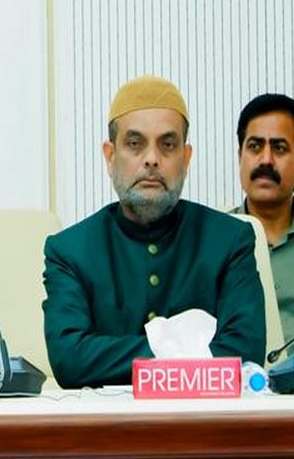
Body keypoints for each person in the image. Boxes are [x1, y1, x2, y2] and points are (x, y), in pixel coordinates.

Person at [42, 75, 265, 387]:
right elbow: (70, 359)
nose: (151, 159)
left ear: (186, 158)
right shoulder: (70, 251)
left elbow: (245, 351)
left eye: (168, 145)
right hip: (108, 431)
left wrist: (120, 355)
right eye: (135, 144)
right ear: (110, 156)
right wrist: (183, 347)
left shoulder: (229, 241)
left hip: (206, 428)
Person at [232, 92, 294, 346]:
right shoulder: (213, 242)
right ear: (240, 157)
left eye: (279, 148)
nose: (266, 160)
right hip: (237, 384)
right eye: (255, 147)